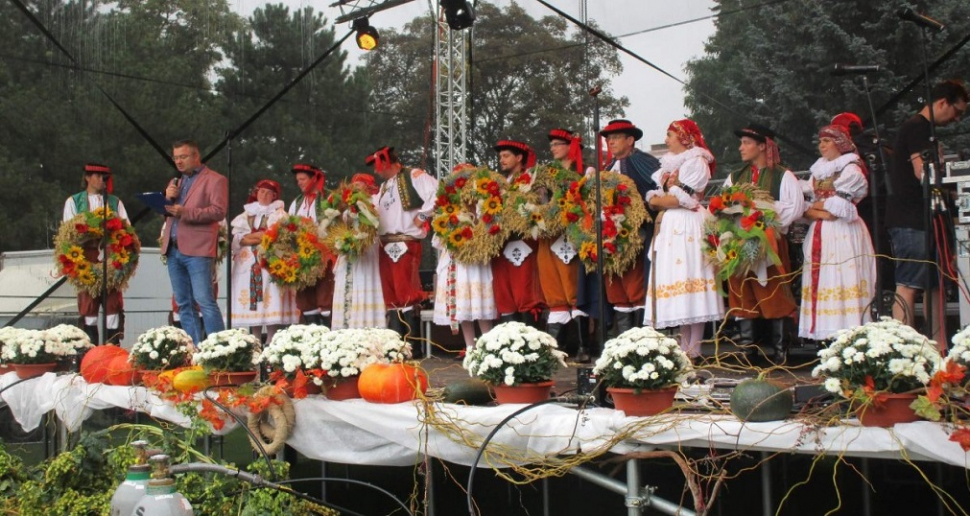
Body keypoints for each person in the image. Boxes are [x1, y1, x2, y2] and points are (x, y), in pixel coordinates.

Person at [885, 79, 968, 343]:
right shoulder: (917, 129)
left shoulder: (925, 130)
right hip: (911, 218)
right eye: (957, 112)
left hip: (928, 217)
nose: (957, 119)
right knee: (909, 284)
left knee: (936, 284)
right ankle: (905, 348)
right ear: (943, 102)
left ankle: (938, 346)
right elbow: (923, 172)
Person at [723, 124, 804, 363]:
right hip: (739, 242)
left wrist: (766, 220)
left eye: (746, 143)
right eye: (742, 143)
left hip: (770, 242)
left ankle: (780, 349)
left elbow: (795, 208)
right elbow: (723, 204)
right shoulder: (735, 175)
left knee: (774, 291)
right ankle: (748, 349)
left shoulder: (782, 175)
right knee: (742, 291)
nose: (741, 148)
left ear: (762, 146)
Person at [643, 120, 723, 360]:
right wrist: (658, 201)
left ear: (683, 137)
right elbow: (656, 198)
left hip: (688, 224)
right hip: (671, 225)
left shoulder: (696, 162)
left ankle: (694, 348)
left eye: (670, 135)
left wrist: (658, 201)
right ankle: (684, 346)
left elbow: (681, 200)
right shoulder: (669, 165)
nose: (666, 140)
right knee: (676, 280)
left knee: (690, 277)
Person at [799, 124, 876, 341]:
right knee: (823, 280)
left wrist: (815, 209)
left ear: (840, 143)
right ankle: (824, 340)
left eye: (827, 141)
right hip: (820, 232)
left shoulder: (851, 169)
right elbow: (805, 207)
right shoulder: (817, 172)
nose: (821, 145)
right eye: (820, 141)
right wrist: (817, 209)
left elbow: (836, 210)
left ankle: (848, 336)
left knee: (842, 278)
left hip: (843, 233)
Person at [367, 146, 438, 342]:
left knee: (405, 291)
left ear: (386, 163)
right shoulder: (384, 187)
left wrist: (422, 215)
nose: (375, 171)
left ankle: (412, 344)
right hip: (385, 242)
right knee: (390, 292)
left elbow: (438, 193)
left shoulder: (413, 175)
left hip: (405, 241)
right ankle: (396, 343)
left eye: (377, 166)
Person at [161, 139, 228, 345]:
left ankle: (219, 349)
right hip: (173, 248)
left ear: (196, 156)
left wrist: (186, 212)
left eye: (183, 157)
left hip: (198, 249)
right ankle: (195, 348)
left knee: (205, 301)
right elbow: (169, 212)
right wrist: (166, 198)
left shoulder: (215, 180)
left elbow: (219, 211)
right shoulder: (176, 182)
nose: (178, 162)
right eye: (176, 158)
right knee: (183, 303)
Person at [600, 119, 660, 336]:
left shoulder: (644, 162)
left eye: (615, 138)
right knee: (616, 289)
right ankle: (623, 339)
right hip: (611, 238)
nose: (610, 142)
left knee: (637, 287)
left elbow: (656, 193)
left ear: (630, 139)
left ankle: (641, 337)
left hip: (637, 236)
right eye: (608, 139)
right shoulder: (607, 168)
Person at [433, 163, 497, 356]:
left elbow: (488, 224)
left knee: (479, 304)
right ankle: (470, 348)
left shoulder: (480, 198)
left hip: (474, 256)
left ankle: (488, 347)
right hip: (455, 256)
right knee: (462, 306)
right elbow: (439, 233)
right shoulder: (447, 204)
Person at [63, 163, 130, 344]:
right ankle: (89, 349)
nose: (102, 180)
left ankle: (112, 347)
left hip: (111, 256)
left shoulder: (115, 202)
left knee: (112, 301)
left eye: (104, 177)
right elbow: (69, 232)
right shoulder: (74, 202)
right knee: (88, 302)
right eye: (98, 176)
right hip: (86, 256)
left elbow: (127, 230)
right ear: (87, 177)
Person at [229, 179, 299, 343]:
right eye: (261, 191)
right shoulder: (246, 214)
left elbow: (274, 236)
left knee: (270, 294)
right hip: (247, 264)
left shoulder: (279, 214)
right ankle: (255, 336)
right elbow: (239, 239)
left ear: (274, 196)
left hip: (269, 262)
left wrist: (252, 237)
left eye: (268, 193)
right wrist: (257, 237)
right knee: (251, 297)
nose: (263, 195)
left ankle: (271, 336)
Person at [541, 128, 588, 357]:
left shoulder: (583, 171)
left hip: (574, 233)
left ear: (571, 146)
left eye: (558, 143)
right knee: (553, 289)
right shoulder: (547, 173)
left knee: (573, 288)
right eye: (552, 145)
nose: (553, 148)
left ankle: (582, 346)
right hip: (551, 234)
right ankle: (556, 348)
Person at [491, 139, 546, 325]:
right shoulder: (497, 184)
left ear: (519, 157)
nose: (502, 160)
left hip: (525, 242)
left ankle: (534, 343)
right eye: (500, 156)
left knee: (526, 292)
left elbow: (539, 209)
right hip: (501, 243)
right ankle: (509, 344)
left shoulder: (532, 180)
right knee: (504, 293)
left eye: (506, 156)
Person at [331, 173, 386, 329]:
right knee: (346, 282)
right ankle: (344, 326)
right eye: (353, 185)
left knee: (363, 280)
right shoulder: (347, 205)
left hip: (366, 247)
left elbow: (376, 224)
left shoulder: (373, 203)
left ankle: (365, 324)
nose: (354, 187)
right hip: (348, 249)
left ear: (367, 187)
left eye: (359, 184)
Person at [287, 163, 336, 327]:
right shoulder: (297, 202)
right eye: (297, 180)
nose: (299, 183)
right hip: (303, 257)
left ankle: (329, 338)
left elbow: (336, 226)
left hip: (324, 256)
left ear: (314, 179)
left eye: (302, 179)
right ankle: (313, 338)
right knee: (305, 298)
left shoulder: (329, 198)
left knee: (325, 296)